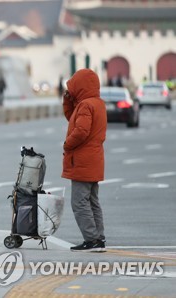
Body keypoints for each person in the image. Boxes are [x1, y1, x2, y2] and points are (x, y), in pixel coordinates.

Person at [61, 68, 107, 253]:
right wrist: (68, 100)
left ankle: (91, 239)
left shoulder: (86, 105)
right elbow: (72, 118)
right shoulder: (96, 103)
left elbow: (80, 130)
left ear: (80, 86)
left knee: (79, 202)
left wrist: (67, 145)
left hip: (83, 160)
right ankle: (98, 238)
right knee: (92, 201)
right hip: (94, 159)